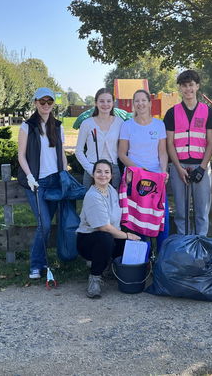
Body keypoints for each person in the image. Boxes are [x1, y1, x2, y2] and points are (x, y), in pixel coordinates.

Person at [17, 87, 68, 279]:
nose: (46, 105)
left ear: (53, 104)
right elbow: (21, 155)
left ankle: (44, 262)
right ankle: (36, 265)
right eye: (42, 102)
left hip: (55, 181)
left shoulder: (59, 126)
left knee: (48, 224)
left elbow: (61, 153)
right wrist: (30, 177)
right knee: (44, 224)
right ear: (35, 103)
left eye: (49, 102)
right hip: (35, 183)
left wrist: (64, 174)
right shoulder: (27, 126)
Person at [76, 159, 140, 298]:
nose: (103, 175)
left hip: (108, 236)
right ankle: (94, 278)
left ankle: (114, 269)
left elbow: (122, 193)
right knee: (108, 238)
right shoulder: (93, 195)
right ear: (93, 175)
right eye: (99, 171)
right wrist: (127, 235)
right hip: (88, 240)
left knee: (128, 239)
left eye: (106, 172)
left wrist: (126, 183)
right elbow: (104, 227)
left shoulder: (111, 190)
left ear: (111, 175)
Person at [164, 70, 212, 236]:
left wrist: (202, 168)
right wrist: (178, 168)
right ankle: (184, 245)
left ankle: (200, 245)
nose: (188, 89)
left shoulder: (208, 111)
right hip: (179, 166)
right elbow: (170, 143)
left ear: (197, 86)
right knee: (181, 212)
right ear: (180, 88)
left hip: (201, 165)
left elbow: (211, 143)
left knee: (202, 212)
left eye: (191, 85)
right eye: (184, 86)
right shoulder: (172, 113)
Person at [118, 89, 169, 247]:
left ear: (149, 103)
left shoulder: (159, 125)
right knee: (137, 219)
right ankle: (141, 260)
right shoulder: (127, 125)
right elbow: (122, 153)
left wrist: (163, 171)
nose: (140, 104)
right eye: (137, 101)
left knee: (161, 216)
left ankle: (162, 258)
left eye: (143, 100)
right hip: (134, 178)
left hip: (155, 178)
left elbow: (162, 153)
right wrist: (140, 172)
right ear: (133, 104)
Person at [75, 88, 124, 190]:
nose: (105, 104)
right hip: (92, 169)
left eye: (108, 101)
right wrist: (90, 169)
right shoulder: (87, 123)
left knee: (114, 204)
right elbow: (78, 151)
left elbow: (124, 149)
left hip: (113, 170)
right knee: (91, 204)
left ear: (113, 103)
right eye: (101, 101)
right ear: (96, 103)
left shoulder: (120, 123)